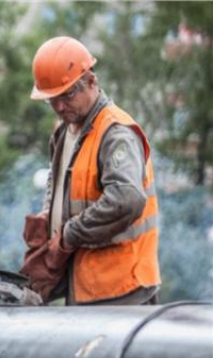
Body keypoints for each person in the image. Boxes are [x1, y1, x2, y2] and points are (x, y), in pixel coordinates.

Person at [20, 36, 160, 305]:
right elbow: (60, 181)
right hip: (88, 284)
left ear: (92, 82)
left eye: (67, 95)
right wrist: (48, 218)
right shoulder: (64, 131)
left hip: (122, 287)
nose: (59, 107)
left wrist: (70, 234)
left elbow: (126, 199)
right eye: (52, 100)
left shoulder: (115, 133)